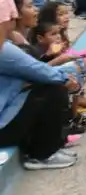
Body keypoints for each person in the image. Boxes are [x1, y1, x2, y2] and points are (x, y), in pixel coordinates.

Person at [0, 41, 79, 170]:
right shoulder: (3, 49)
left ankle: (48, 148)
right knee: (53, 90)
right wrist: (65, 79)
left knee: (43, 88)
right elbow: (34, 68)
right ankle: (41, 155)